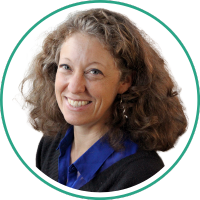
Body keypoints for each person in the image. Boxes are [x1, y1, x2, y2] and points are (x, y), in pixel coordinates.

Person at [20, 8, 188, 192]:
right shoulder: (50, 143)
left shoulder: (141, 174)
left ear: (125, 81)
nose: (75, 86)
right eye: (66, 67)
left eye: (94, 72)